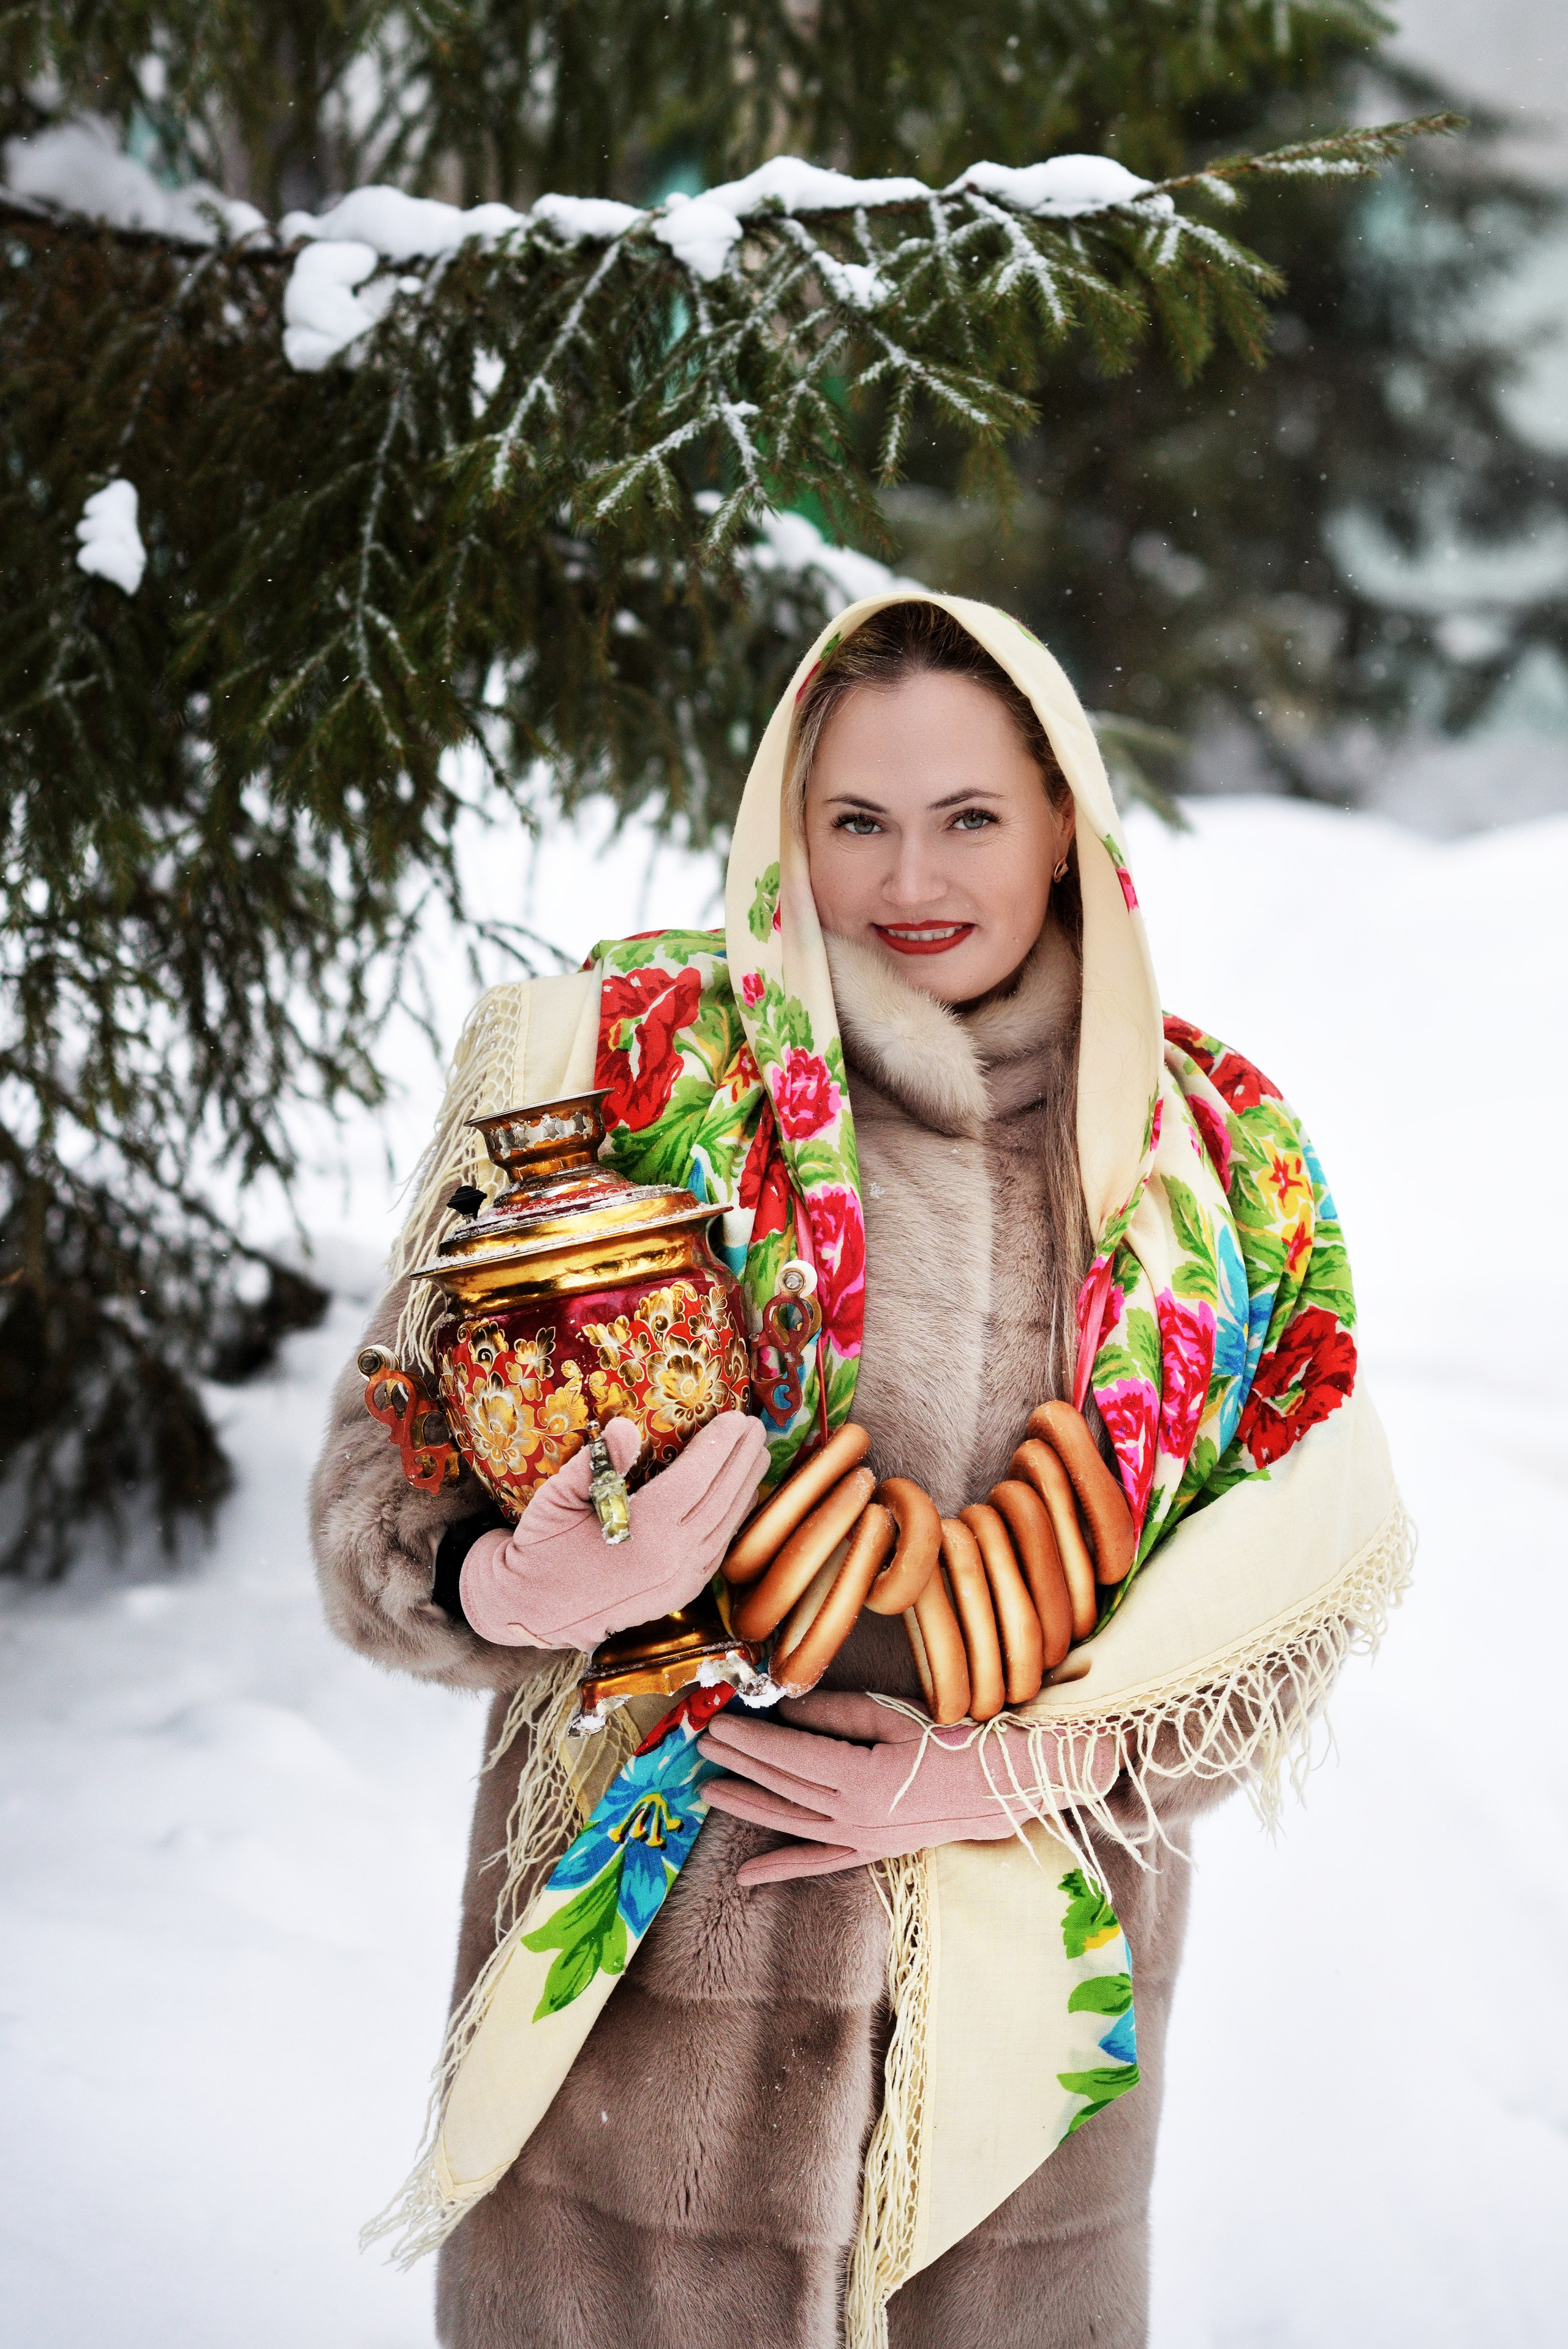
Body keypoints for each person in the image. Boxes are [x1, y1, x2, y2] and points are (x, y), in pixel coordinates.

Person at [311, 594, 1404, 2348]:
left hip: (1019, 2066)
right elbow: (387, 1468)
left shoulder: (1209, 1165)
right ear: (785, 829)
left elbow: (1294, 1586)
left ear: (1065, 825)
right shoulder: (627, 1077)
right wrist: (500, 1583)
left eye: (972, 814)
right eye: (859, 820)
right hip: (643, 2049)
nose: (918, 872)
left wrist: (1032, 1766)